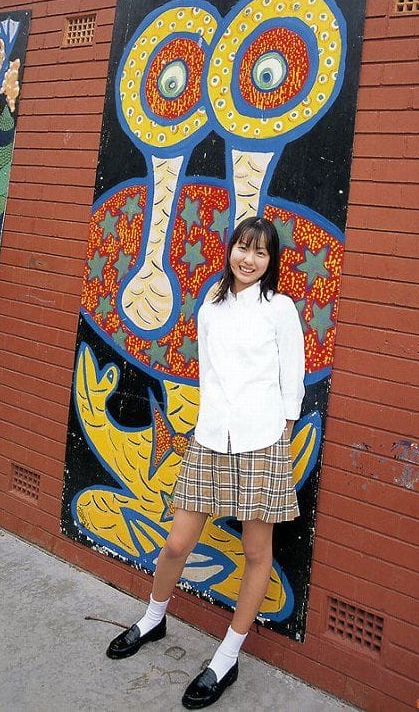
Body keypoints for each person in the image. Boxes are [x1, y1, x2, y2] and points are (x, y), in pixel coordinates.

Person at [106, 215, 305, 709]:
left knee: (256, 554)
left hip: (261, 443)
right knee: (177, 542)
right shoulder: (211, 306)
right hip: (211, 439)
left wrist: (282, 433)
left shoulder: (280, 309)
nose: (249, 259)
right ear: (230, 249)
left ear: (271, 261)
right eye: (243, 248)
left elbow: (293, 376)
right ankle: (153, 619)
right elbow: (210, 374)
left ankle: (226, 657)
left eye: (260, 252)